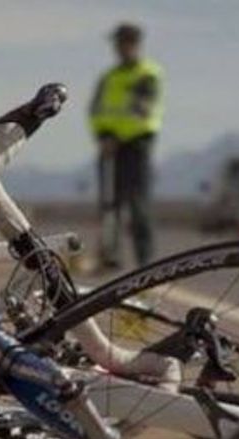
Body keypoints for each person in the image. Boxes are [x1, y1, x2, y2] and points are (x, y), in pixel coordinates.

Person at [89, 22, 164, 270]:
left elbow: (143, 110)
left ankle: (145, 262)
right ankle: (110, 256)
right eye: (118, 44)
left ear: (134, 44)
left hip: (136, 146)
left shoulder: (148, 74)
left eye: (124, 43)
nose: (119, 48)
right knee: (110, 204)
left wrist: (117, 138)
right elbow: (96, 110)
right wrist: (103, 136)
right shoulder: (109, 77)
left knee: (138, 205)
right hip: (109, 147)